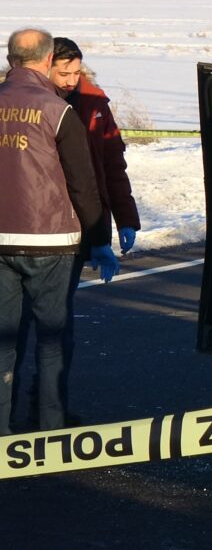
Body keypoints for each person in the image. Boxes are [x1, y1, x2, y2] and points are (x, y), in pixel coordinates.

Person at [13, 37, 141, 428]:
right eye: (63, 71)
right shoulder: (27, 106)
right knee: (14, 332)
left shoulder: (94, 105)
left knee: (57, 331)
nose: (71, 79)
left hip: (77, 229)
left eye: (76, 71)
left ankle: (48, 414)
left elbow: (110, 166)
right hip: (35, 228)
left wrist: (125, 218)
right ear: (45, 65)